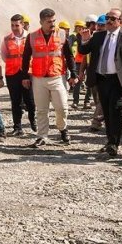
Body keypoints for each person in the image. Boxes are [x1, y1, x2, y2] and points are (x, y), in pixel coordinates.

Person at [77, 8, 122, 157]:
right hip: (101, 79)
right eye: (107, 17)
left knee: (115, 109)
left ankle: (113, 144)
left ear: (120, 21)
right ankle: (110, 140)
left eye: (113, 18)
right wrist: (85, 38)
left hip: (119, 80)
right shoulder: (99, 36)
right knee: (106, 111)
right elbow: (83, 50)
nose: (109, 21)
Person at [21, 8, 77, 147]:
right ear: (41, 22)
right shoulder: (32, 36)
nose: (52, 24)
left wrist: (73, 74)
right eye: (48, 21)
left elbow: (69, 56)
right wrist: (25, 76)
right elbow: (26, 57)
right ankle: (42, 136)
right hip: (39, 78)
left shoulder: (62, 34)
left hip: (57, 76)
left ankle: (62, 128)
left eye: (53, 21)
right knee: (41, 110)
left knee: (62, 108)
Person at [0, 14, 36, 136]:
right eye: (12, 25)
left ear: (22, 24)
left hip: (27, 73)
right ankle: (17, 128)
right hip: (12, 73)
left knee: (30, 100)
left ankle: (33, 121)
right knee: (15, 101)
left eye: (17, 25)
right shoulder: (6, 39)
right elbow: (4, 56)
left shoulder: (30, 37)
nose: (14, 28)